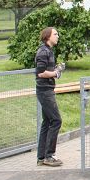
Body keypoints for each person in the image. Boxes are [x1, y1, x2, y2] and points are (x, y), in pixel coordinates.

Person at [36, 27, 65, 167]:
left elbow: (46, 70)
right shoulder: (43, 51)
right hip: (45, 92)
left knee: (47, 122)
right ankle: (49, 156)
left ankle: (41, 158)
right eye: (55, 34)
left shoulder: (48, 51)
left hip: (46, 90)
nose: (57, 36)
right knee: (56, 120)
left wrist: (57, 69)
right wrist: (56, 73)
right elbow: (41, 73)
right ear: (48, 36)